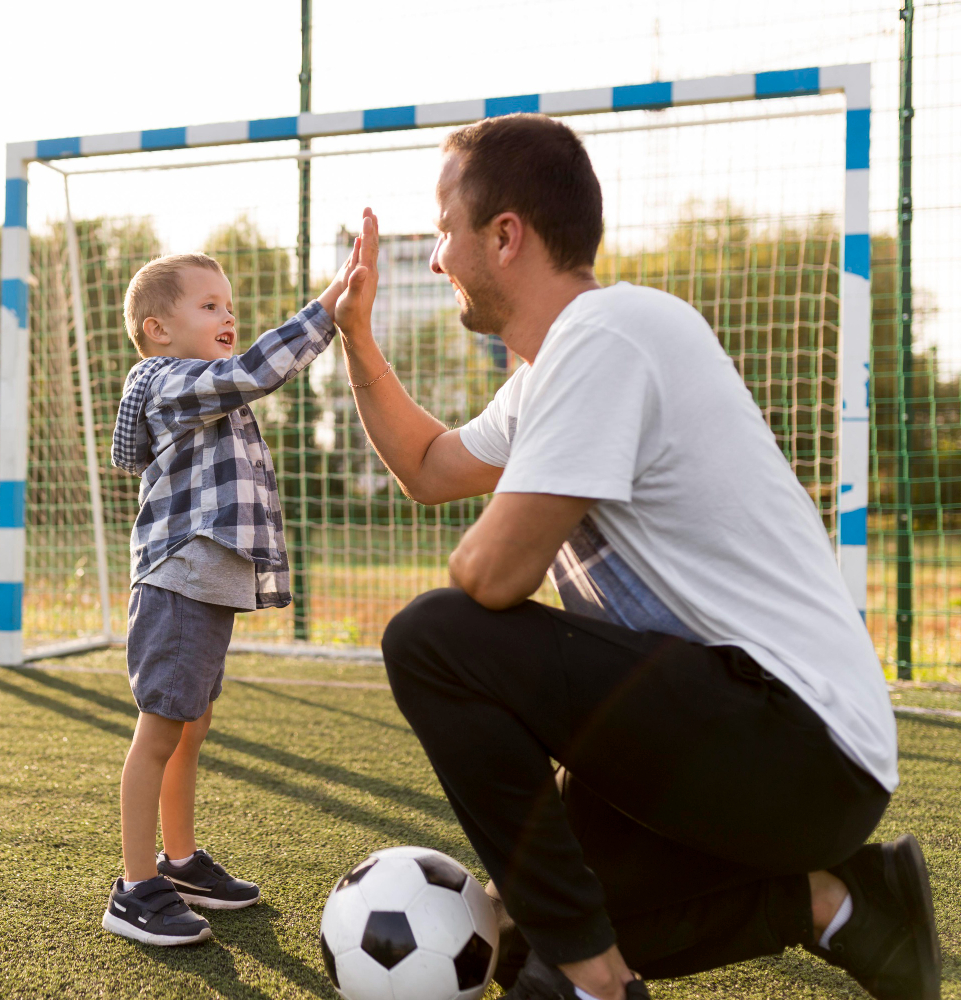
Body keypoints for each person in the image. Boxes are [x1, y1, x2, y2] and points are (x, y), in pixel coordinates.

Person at [332, 114, 941, 1000]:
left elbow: (491, 577)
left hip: (800, 743)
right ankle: (842, 904)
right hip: (764, 752)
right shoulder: (553, 372)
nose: (435, 258)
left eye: (443, 232)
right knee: (529, 914)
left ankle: (592, 983)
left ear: (506, 236)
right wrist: (357, 341)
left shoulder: (608, 334)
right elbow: (429, 467)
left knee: (434, 636)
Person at [103, 247, 359, 944]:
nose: (229, 314)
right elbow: (254, 372)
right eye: (209, 305)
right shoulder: (167, 381)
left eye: (229, 304)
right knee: (160, 730)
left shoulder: (201, 386)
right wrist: (328, 306)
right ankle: (133, 888)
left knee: (192, 726)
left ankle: (179, 861)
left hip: (206, 586)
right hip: (178, 581)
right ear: (158, 329)